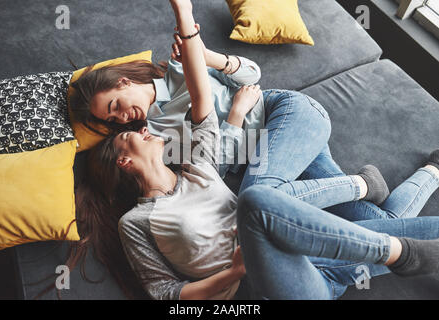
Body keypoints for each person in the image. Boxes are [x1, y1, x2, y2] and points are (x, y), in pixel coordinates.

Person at [83, 0, 439, 300]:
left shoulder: (178, 74)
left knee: (256, 196)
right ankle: (426, 174)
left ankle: (365, 190)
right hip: (282, 211)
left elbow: (229, 85)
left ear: (124, 81)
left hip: (283, 118)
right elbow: (165, 292)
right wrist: (234, 118)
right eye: (115, 124)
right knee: (380, 224)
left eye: (115, 104)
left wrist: (189, 25)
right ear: (124, 161)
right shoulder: (168, 169)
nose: (125, 121)